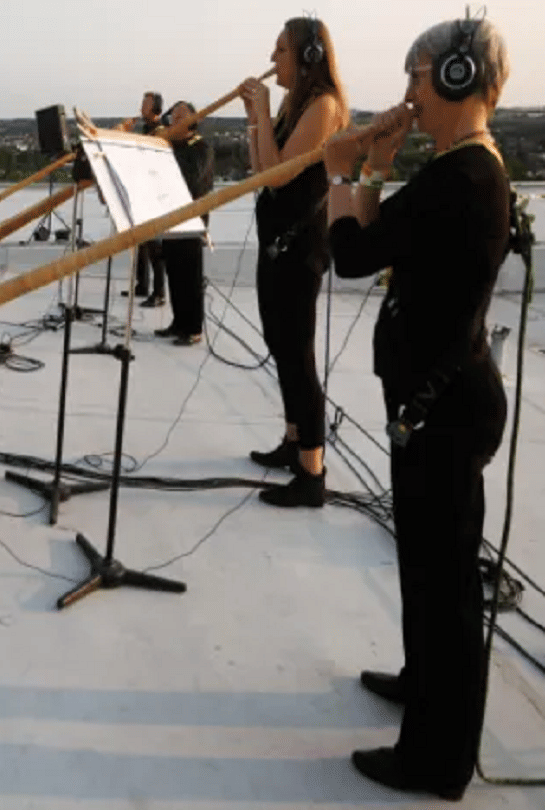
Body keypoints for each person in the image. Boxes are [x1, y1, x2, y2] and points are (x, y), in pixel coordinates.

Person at [323, 15, 511, 800]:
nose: (408, 93)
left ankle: (435, 761)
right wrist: (378, 167)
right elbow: (383, 242)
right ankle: (423, 678)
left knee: (446, 586)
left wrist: (344, 168)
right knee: (429, 569)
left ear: (460, 78)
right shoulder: (457, 170)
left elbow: (351, 255)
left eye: (418, 76)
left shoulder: (460, 177)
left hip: (443, 411)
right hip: (439, 403)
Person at [239, 17, 349, 508]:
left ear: (307, 57)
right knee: (279, 344)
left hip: (299, 247)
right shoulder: (293, 103)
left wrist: (262, 109)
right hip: (275, 240)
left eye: (280, 50)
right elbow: (262, 171)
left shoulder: (324, 106)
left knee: (298, 354)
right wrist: (255, 118)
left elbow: (282, 176)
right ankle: (292, 440)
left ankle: (312, 470)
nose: (271, 59)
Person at [153, 101, 214, 345]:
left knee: (190, 275)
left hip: (191, 221)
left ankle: (193, 328)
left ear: (193, 120)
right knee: (174, 273)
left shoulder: (200, 147)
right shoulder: (172, 146)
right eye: (173, 117)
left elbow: (191, 179)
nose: (174, 121)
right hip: (170, 218)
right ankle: (178, 322)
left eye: (180, 117)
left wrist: (168, 149)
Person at [119, 91, 168, 306]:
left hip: (154, 196)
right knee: (140, 243)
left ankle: (159, 293)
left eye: (146, 103)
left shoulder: (160, 132)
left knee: (155, 247)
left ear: (156, 108)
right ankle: (142, 285)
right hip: (142, 193)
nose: (141, 107)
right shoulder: (147, 130)